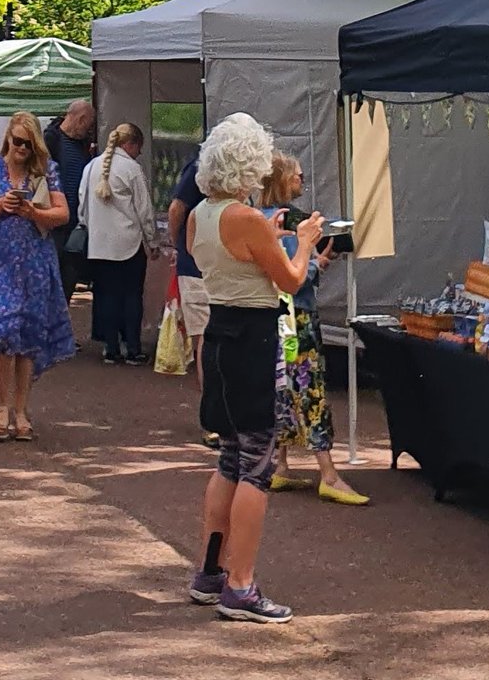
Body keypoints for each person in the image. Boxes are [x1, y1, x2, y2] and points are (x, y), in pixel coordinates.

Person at [184, 112, 322, 624]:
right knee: (257, 465)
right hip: (253, 339)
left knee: (228, 457)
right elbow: (288, 279)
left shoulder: (202, 214)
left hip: (219, 334)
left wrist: (264, 235)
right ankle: (240, 585)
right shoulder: (243, 218)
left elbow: (224, 259)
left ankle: (211, 572)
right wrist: (303, 242)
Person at [260, 153, 368, 506]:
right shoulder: (288, 223)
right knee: (310, 388)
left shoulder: (257, 219)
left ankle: (282, 464)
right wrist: (318, 261)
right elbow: (293, 275)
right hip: (297, 318)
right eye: (297, 177)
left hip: (273, 319)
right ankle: (328, 473)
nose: (302, 182)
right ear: (281, 181)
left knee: (282, 386)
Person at [0, 112, 75, 442]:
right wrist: (3, 204)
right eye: (16, 142)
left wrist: (33, 212)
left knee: (27, 331)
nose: (21, 149)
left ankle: (21, 408)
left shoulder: (46, 171)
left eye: (28, 144)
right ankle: (1, 405)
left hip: (34, 260)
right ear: (7, 139)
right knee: (1, 328)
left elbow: (63, 213)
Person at [79, 122, 159, 365]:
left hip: (99, 244)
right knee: (131, 296)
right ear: (131, 144)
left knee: (106, 295)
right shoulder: (132, 169)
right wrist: (152, 240)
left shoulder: (91, 167)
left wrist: (90, 227)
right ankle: (132, 348)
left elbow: (82, 205)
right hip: (128, 244)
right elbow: (144, 210)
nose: (139, 153)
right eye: (139, 147)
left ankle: (110, 347)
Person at [168, 148, 214, 445]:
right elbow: (176, 209)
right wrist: (180, 247)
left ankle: (218, 417)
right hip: (198, 269)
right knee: (206, 340)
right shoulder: (200, 167)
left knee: (209, 340)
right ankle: (212, 417)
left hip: (215, 269)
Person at [44, 99, 96, 302]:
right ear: (81, 119)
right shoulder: (52, 140)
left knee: (69, 277)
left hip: (76, 224)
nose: (89, 129)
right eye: (88, 124)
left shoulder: (83, 144)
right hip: (55, 224)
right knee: (53, 276)